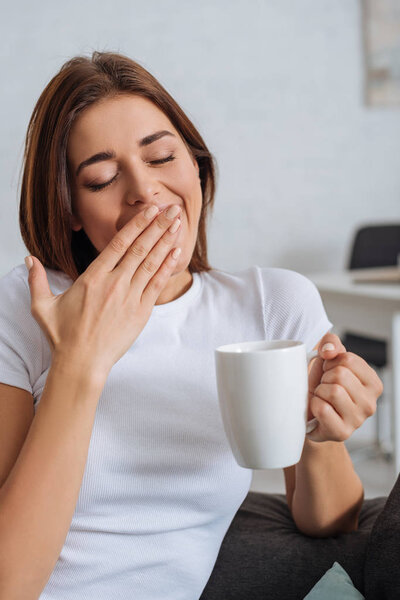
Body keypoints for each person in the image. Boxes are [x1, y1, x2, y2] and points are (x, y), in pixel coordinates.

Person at [0, 52, 384, 600]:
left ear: (197, 168)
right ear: (69, 209)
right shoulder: (28, 305)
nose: (144, 191)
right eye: (103, 178)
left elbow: (328, 522)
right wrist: (79, 362)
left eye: (161, 156)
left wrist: (321, 432)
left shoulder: (273, 303)